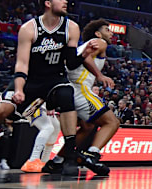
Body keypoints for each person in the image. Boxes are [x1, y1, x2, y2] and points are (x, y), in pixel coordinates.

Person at [0, 0, 102, 175]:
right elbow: (22, 63)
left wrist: (86, 52)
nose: (65, 1)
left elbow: (71, 63)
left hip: (54, 79)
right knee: (1, 109)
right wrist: (19, 89)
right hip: (31, 79)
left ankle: (70, 155)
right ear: (48, 4)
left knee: (67, 94)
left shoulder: (71, 27)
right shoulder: (29, 28)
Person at [43, 19, 119, 176]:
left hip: (68, 89)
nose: (111, 33)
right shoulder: (100, 42)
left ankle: (56, 162)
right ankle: (92, 154)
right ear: (98, 33)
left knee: (88, 126)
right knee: (112, 122)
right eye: (107, 29)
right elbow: (86, 58)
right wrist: (99, 75)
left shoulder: (84, 45)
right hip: (79, 88)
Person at [20, 105, 61, 173]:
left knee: (56, 127)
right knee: (47, 127)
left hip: (44, 104)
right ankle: (32, 161)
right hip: (32, 103)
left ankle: (45, 160)